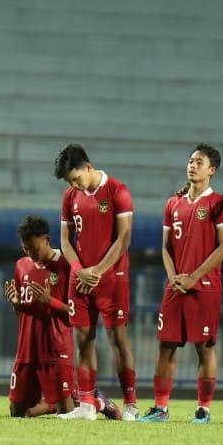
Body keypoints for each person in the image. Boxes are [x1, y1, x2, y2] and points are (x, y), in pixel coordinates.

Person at [140, 145, 223, 423]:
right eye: (191, 161)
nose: (192, 165)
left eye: (199, 162)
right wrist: (172, 276)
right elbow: (166, 247)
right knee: (165, 346)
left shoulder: (218, 203)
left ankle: (203, 409)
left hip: (204, 286)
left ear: (212, 169)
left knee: (204, 348)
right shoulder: (173, 203)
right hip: (175, 286)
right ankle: (160, 408)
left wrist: (194, 276)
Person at [53, 144, 140, 421]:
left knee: (118, 340)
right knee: (83, 340)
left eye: (76, 178)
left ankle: (131, 405)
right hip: (80, 279)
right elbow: (65, 240)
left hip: (112, 278)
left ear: (88, 167)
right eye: (70, 182)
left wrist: (98, 272)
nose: (74, 185)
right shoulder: (70, 197)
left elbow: (123, 238)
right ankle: (87, 405)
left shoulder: (117, 190)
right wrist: (79, 270)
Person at [5, 215, 82, 417]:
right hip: (26, 350)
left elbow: (77, 314)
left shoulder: (67, 265)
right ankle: (48, 405)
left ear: (46, 239)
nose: (30, 253)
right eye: (25, 249)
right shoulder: (21, 265)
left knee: (67, 413)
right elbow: (23, 312)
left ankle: (95, 401)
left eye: (34, 248)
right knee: (17, 412)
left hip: (55, 350)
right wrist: (16, 304)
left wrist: (51, 302)